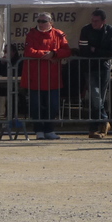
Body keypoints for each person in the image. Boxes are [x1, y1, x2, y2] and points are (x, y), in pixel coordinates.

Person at [21, 12, 71, 140]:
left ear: (51, 22)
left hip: (53, 78)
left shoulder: (58, 34)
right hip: (35, 77)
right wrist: (47, 55)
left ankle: (49, 130)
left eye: (43, 21)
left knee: (53, 106)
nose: (41, 24)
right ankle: (38, 130)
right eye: (39, 21)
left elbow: (66, 51)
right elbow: (29, 51)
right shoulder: (31, 34)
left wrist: (54, 53)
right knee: (36, 106)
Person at [78, 8, 112, 139]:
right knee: (96, 97)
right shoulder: (86, 30)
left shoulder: (111, 31)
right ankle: (104, 121)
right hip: (89, 68)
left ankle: (94, 128)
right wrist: (100, 52)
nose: (93, 23)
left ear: (103, 21)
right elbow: (84, 50)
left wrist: (95, 50)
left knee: (101, 98)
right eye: (92, 20)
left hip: (104, 68)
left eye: (96, 21)